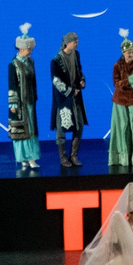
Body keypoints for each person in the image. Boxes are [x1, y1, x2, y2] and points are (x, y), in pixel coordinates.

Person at [50, 30, 89, 169]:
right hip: (63, 99)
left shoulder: (76, 55)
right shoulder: (56, 61)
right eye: (74, 41)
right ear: (67, 43)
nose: (76, 43)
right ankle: (62, 157)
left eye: (77, 41)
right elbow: (56, 81)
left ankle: (73, 155)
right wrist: (71, 90)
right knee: (61, 128)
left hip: (76, 97)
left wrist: (82, 80)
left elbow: (79, 71)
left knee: (79, 125)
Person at [109, 32, 133, 169]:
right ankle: (122, 157)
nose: (131, 54)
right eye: (128, 52)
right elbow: (116, 84)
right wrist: (131, 79)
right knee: (122, 128)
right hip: (120, 100)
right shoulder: (117, 66)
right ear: (123, 53)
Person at [6, 25, 41, 174]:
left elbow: (34, 81)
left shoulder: (31, 62)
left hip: (30, 102)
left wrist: (35, 96)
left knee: (31, 129)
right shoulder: (13, 65)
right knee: (21, 130)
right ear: (21, 49)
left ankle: (32, 157)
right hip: (19, 103)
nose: (31, 51)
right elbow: (12, 84)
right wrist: (13, 103)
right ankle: (23, 158)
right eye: (29, 49)